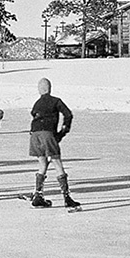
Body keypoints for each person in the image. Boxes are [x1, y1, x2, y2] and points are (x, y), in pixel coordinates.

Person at [28, 78, 80, 210]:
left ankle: (38, 195)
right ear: (49, 88)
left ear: (40, 89)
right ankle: (66, 197)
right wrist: (63, 131)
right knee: (56, 162)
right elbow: (68, 114)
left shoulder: (37, 103)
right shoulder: (55, 100)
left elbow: (34, 115)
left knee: (42, 163)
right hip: (47, 133)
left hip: (34, 135)